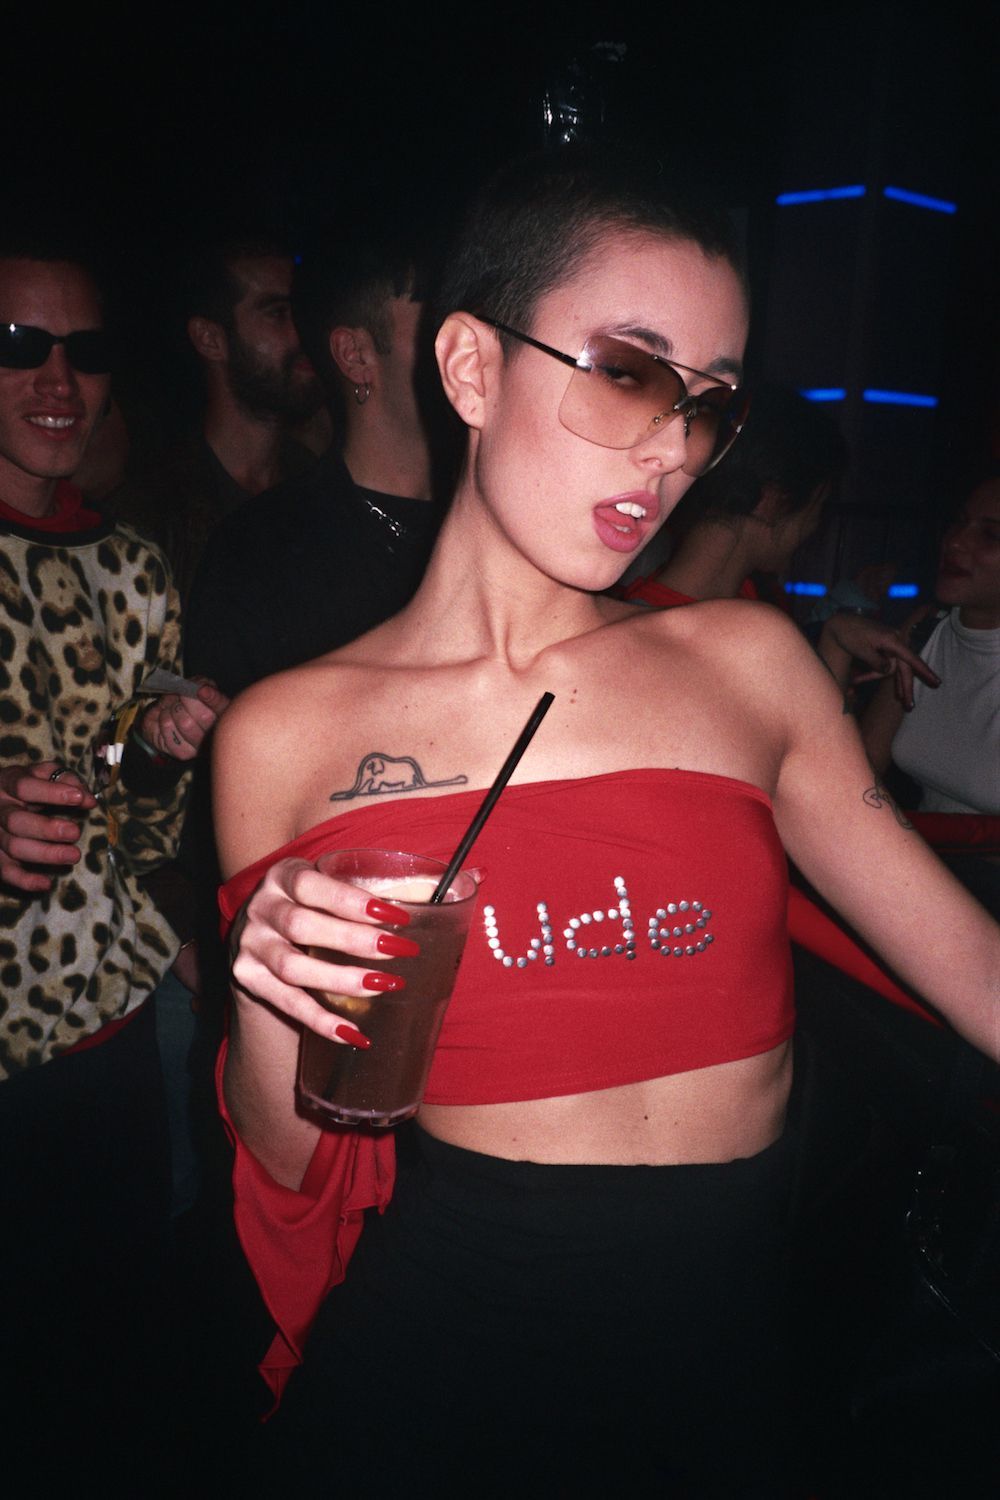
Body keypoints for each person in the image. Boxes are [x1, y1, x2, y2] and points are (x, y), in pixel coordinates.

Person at [213, 148, 1000, 1494]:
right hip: (442, 1362)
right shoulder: (283, 737)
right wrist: (276, 991)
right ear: (470, 368)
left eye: (708, 403)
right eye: (628, 372)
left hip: (730, 1359)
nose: (672, 447)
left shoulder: (744, 666)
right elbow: (293, 1155)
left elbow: (977, 972)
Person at [0, 243, 226, 1472]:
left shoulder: (131, 566)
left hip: (109, 1035)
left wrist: (156, 746)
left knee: (104, 1381)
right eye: (19, 346)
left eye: (83, 351)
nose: (56, 378)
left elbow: (136, 831)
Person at [185, 225, 450, 698]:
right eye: (436, 327)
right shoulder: (259, 555)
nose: (463, 349)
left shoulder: (497, 519)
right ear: (355, 356)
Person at [621, 383, 938, 706]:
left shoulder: (747, 601)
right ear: (772, 500)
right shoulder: (662, 642)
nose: (814, 526)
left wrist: (835, 637)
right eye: (818, 506)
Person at [107, 236, 323, 605]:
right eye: (277, 313)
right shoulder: (150, 512)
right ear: (210, 339)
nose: (302, 332)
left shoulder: (315, 481)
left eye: (301, 311)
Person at [862, 475, 1000, 912]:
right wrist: (836, 644)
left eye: (991, 535)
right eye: (958, 522)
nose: (955, 542)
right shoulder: (925, 629)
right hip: (921, 879)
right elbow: (862, 771)